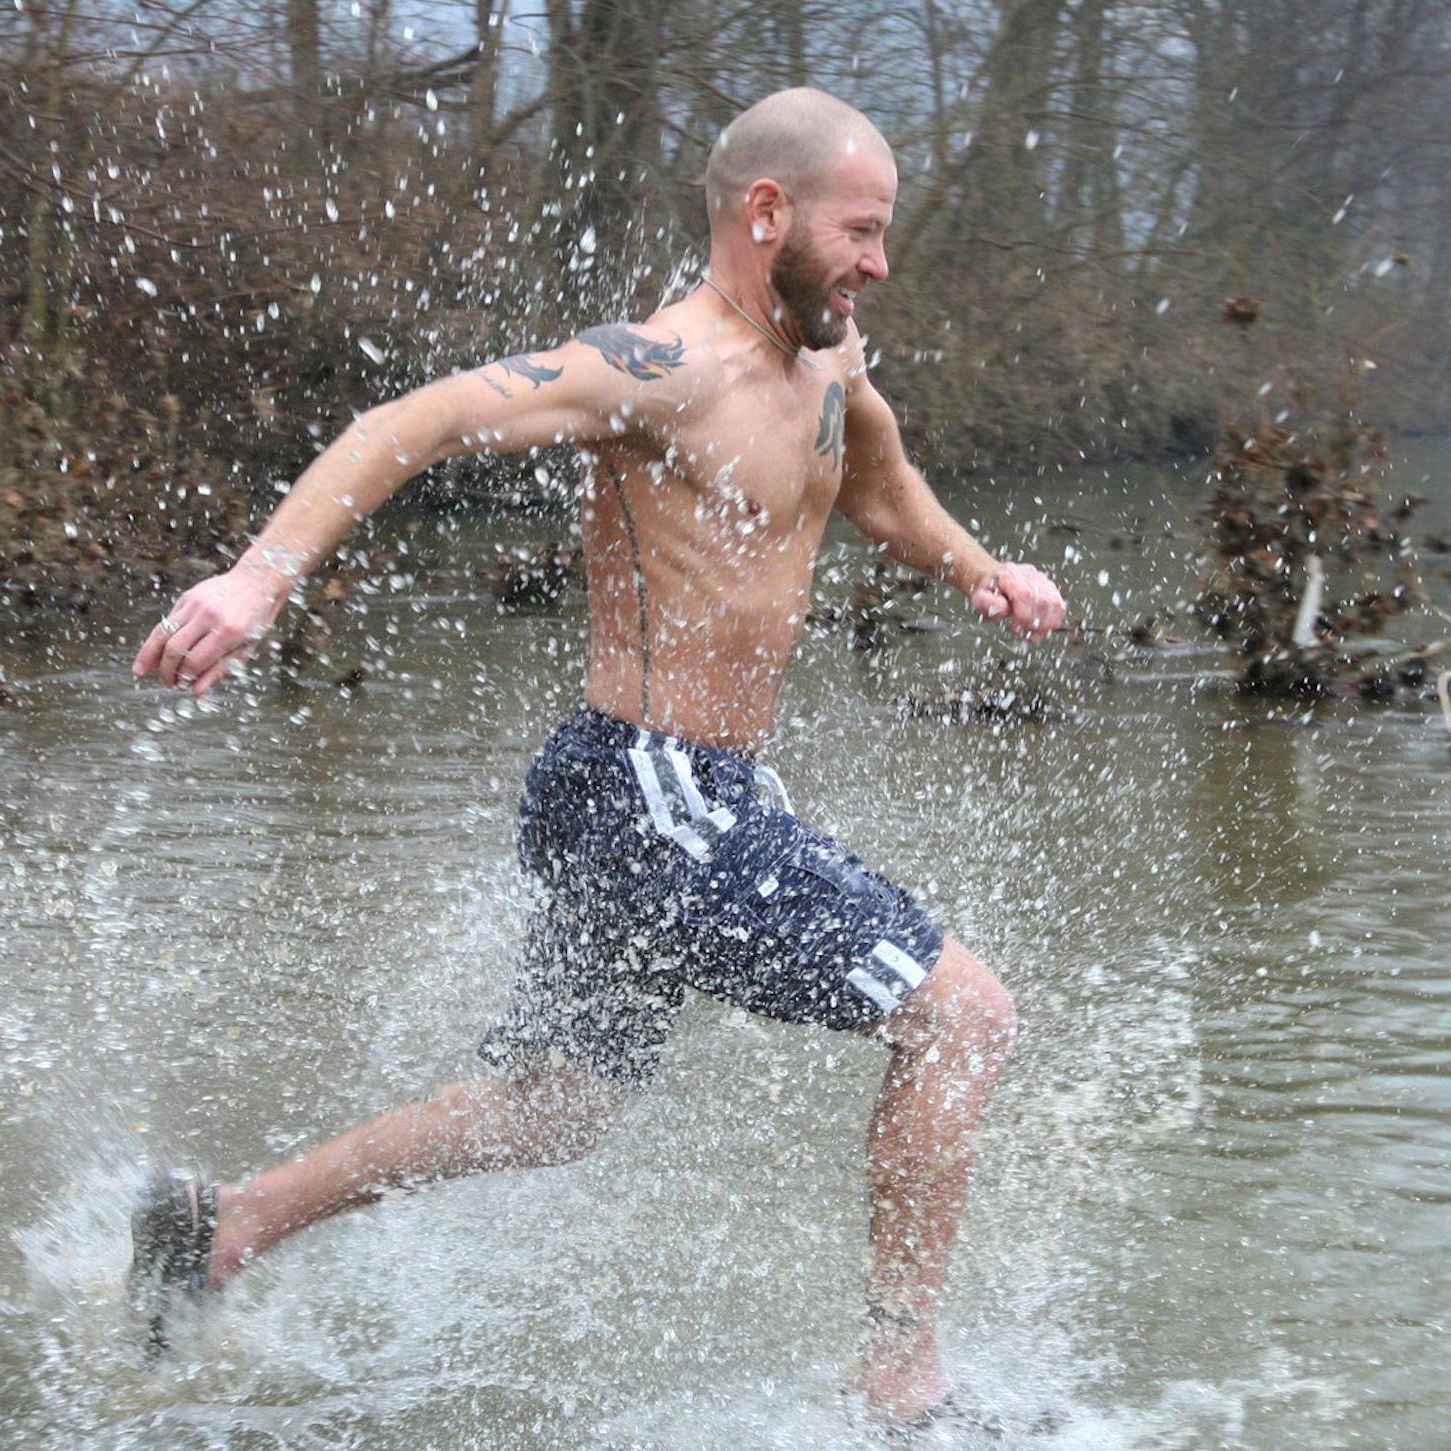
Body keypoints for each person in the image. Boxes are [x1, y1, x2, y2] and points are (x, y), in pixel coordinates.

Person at [126, 87, 1066, 1428]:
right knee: (962, 1015)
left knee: (558, 1104)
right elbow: (423, 421)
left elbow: (875, 484)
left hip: (669, 792)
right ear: (767, 214)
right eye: (861, 231)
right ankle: (904, 1382)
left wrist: (982, 570)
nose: (878, 262)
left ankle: (226, 1222)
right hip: (646, 783)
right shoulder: (659, 367)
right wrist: (260, 580)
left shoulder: (833, 365)